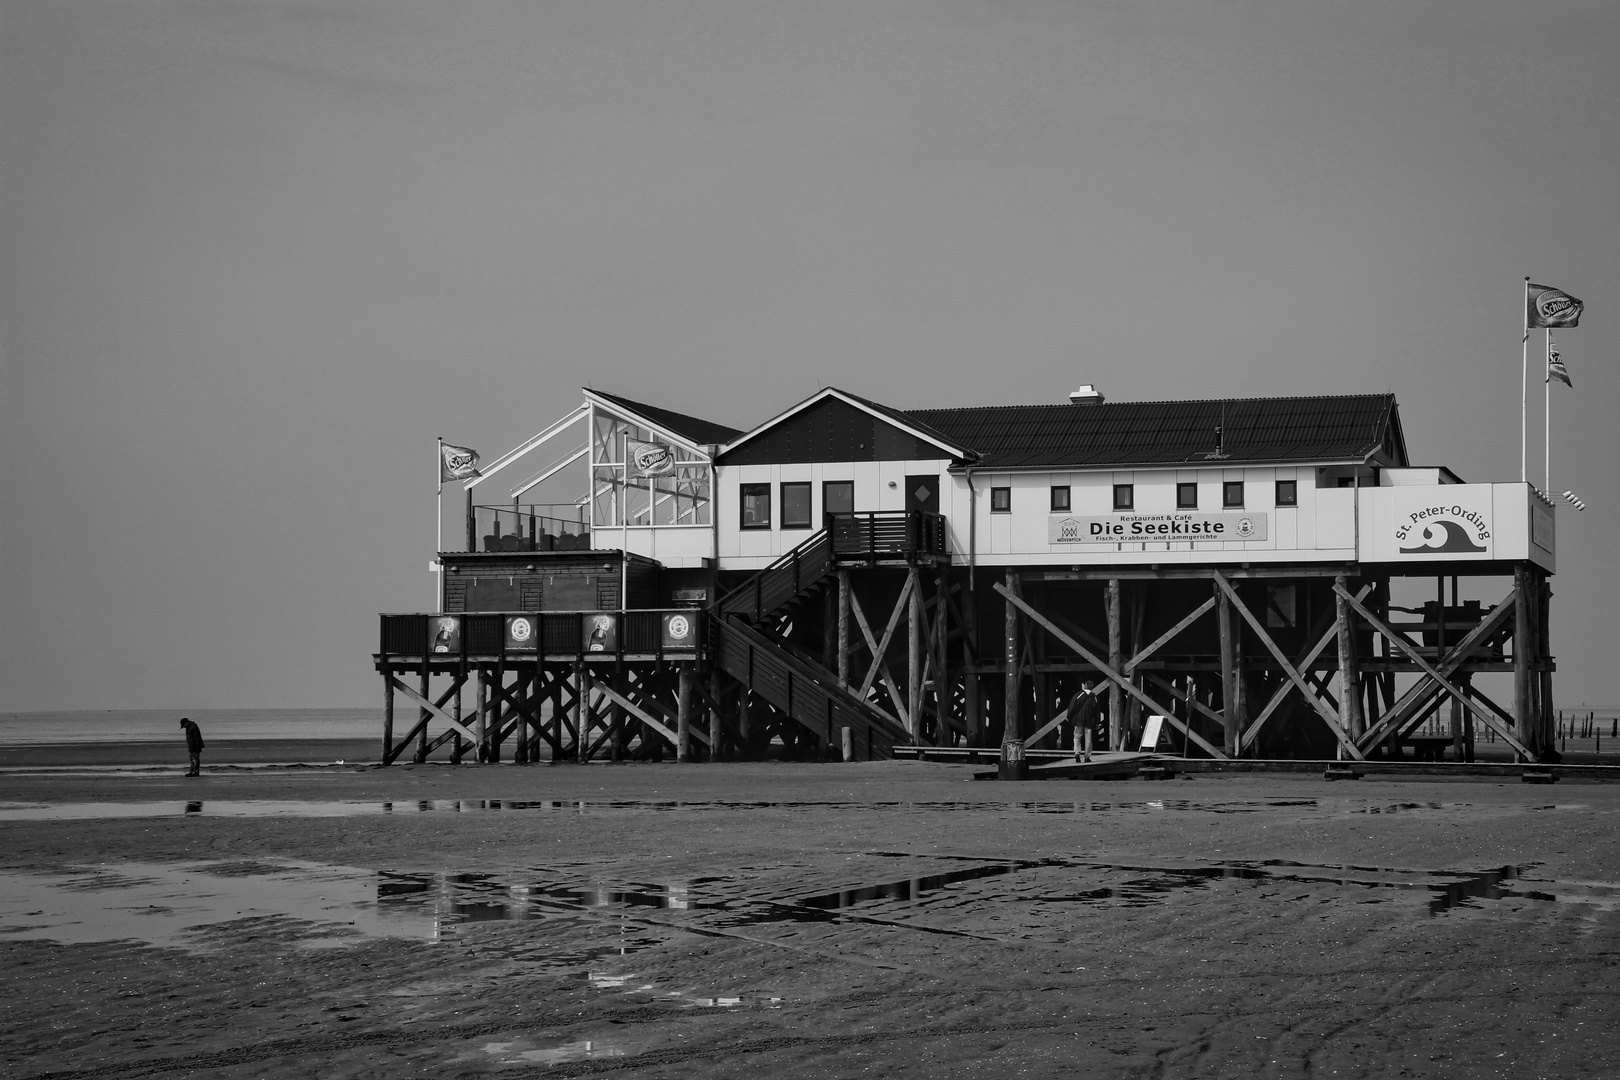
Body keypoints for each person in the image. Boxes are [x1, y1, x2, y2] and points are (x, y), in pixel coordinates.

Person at [1068, 681, 1105, 762]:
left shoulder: (1078, 695)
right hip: (1089, 721)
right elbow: (1097, 712)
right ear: (1092, 687)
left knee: (1077, 736)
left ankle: (1077, 753)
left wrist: (1069, 717)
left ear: (1085, 686)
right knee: (1088, 739)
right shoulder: (1094, 697)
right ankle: (1087, 757)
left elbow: (1072, 706)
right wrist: (1097, 722)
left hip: (1079, 720)